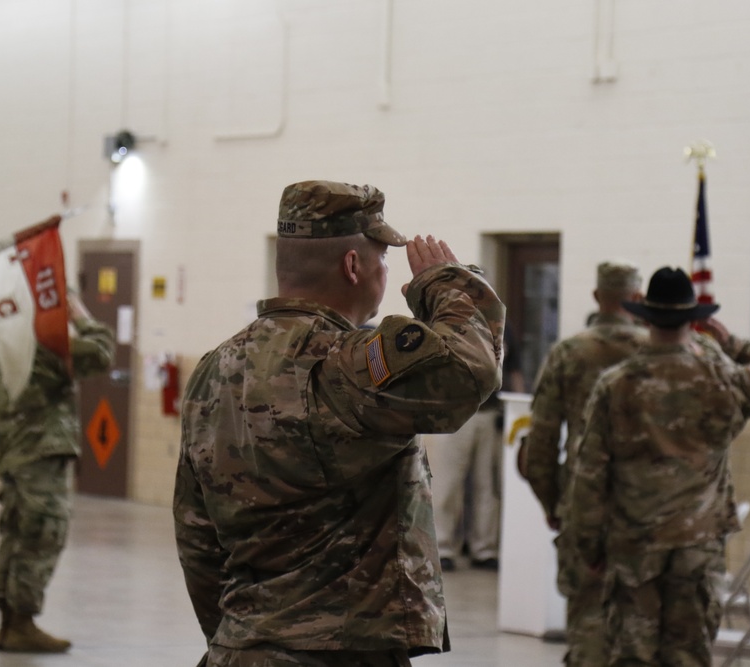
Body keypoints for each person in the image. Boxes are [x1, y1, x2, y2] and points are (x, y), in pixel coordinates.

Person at [174, 179, 504, 666]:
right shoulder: (349, 362)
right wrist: (447, 284)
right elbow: (470, 371)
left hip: (240, 649)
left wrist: (244, 636)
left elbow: (196, 532)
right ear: (354, 266)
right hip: (342, 653)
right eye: (384, 258)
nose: (386, 272)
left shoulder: (214, 367)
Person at [567, 267, 750, 666]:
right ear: (694, 319)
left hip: (633, 547)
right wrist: (734, 345)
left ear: (644, 317)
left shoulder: (616, 384)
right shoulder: (724, 378)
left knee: (631, 656)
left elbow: (590, 473)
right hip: (698, 546)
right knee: (689, 656)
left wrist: (589, 547)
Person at [519, 260, 647, 666]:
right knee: (643, 627)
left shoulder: (569, 353)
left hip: (584, 504)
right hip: (648, 510)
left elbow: (540, 442)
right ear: (638, 298)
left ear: (597, 297)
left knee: (590, 625)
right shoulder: (655, 351)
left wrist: (554, 503)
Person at [0, 292, 114, 653]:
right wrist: (82, 315)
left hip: (16, 456)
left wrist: (3, 452)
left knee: (15, 533)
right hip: (41, 457)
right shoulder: (45, 345)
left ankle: (10, 621)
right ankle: (21, 622)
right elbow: (101, 352)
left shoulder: (3, 346)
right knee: (42, 533)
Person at [426, 322, 522, 573]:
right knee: (447, 484)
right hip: (453, 414)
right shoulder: (444, 322)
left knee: (487, 486)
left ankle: (485, 549)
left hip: (488, 414)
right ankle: (443, 547)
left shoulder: (500, 325)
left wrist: (512, 409)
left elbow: (514, 370)